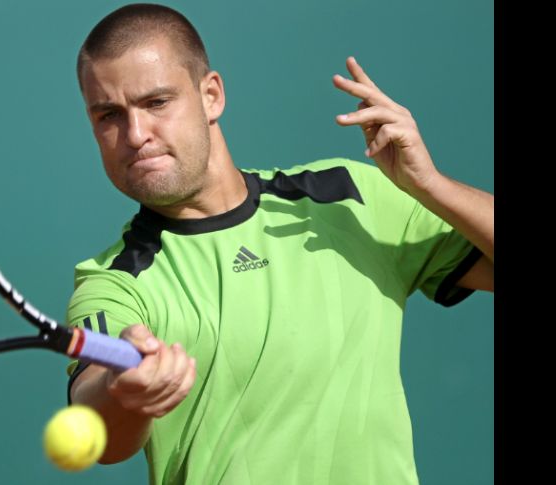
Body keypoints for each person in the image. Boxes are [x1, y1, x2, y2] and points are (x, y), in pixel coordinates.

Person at [65, 3, 494, 484]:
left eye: (156, 102)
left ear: (211, 95)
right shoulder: (113, 284)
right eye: (108, 115)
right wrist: (126, 389)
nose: (136, 135)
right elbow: (99, 426)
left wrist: (432, 187)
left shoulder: (349, 195)